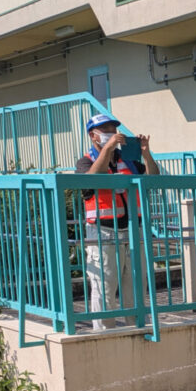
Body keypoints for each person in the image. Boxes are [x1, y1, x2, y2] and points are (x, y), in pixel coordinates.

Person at [75, 113, 161, 331]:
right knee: (104, 289)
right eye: (106, 130)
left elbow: (153, 179)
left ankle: (139, 328)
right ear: (93, 135)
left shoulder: (129, 160)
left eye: (114, 129)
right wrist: (108, 148)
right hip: (103, 233)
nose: (112, 133)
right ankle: (105, 335)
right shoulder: (85, 161)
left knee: (136, 288)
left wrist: (146, 154)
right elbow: (92, 180)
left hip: (133, 231)